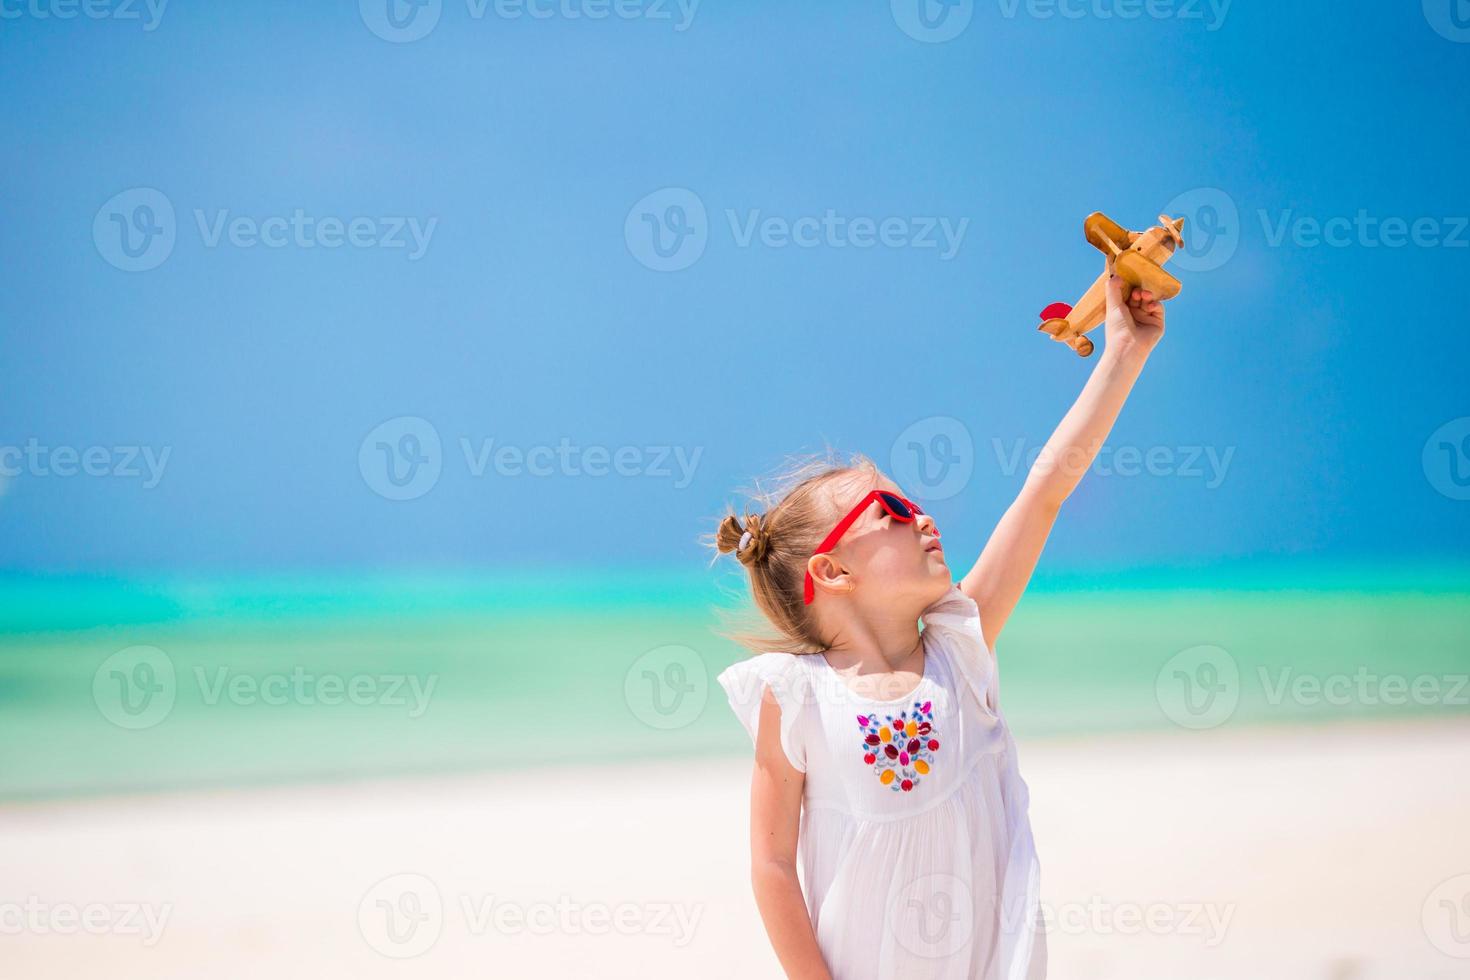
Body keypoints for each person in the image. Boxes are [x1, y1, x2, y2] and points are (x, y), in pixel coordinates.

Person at [710, 265, 1166, 979]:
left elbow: (1045, 490)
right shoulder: (794, 698)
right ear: (830, 571)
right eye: (890, 512)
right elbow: (770, 864)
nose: (922, 516)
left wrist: (1121, 353)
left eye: (913, 502)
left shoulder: (961, 646)